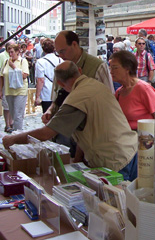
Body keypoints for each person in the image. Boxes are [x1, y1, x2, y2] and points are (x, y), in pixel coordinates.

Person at [2, 61, 138, 181]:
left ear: (60, 83)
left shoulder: (77, 97)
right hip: (130, 150)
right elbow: (83, 128)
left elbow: (46, 133)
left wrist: (12, 139)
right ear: (79, 71)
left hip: (115, 160)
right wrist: (77, 161)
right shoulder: (96, 85)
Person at [42, 30, 114, 150]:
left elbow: (109, 101)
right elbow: (57, 97)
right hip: (62, 134)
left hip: (89, 137)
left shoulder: (97, 66)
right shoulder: (61, 67)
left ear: (74, 45)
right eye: (57, 52)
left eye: (62, 51)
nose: (60, 56)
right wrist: (50, 110)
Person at [110, 50, 155, 130]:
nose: (111, 72)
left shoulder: (144, 89)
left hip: (143, 136)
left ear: (127, 68)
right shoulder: (119, 92)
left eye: (115, 68)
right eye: (110, 68)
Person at [0, 43, 29, 131]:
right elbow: (2, 76)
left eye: (12, 52)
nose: (10, 54)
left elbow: (24, 75)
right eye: (9, 52)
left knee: (18, 115)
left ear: (17, 52)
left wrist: (14, 67)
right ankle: (15, 132)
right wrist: (1, 90)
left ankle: (18, 135)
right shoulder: (6, 62)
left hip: (20, 91)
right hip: (9, 91)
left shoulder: (22, 61)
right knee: (12, 114)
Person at [34, 38, 62, 113]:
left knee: (47, 116)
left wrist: (37, 96)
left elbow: (40, 80)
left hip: (47, 93)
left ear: (43, 49)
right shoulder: (60, 60)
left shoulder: (40, 62)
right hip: (59, 92)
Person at [0, 41, 15, 132]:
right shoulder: (2, 56)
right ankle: (8, 124)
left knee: (13, 105)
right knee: (6, 105)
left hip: (14, 86)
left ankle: (12, 122)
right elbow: (0, 74)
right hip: (5, 85)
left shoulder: (17, 57)